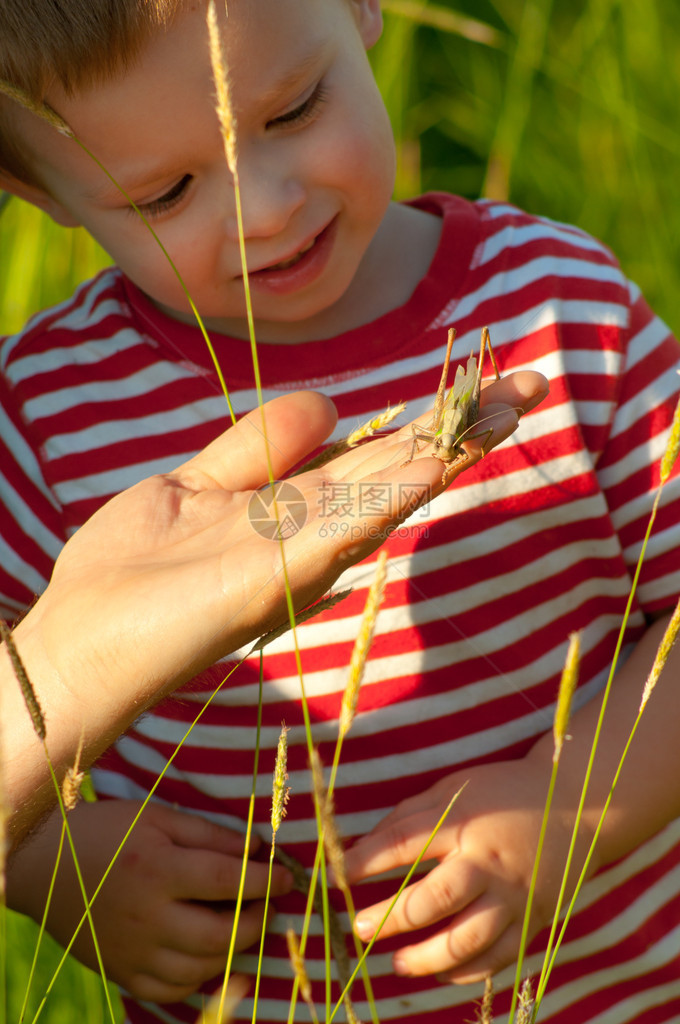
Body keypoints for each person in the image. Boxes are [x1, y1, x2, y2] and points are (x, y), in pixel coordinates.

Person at [0, 0, 678, 1022]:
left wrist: (575, 805)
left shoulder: (554, 306)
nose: (264, 207)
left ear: (360, 9)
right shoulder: (45, 413)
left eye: (295, 107)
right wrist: (56, 865)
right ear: (32, 185)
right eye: (166, 191)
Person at [0, 387, 532, 847]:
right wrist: (50, 858)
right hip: (235, 935)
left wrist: (580, 795)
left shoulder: (555, 297)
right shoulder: (22, 407)